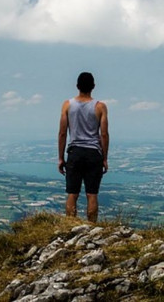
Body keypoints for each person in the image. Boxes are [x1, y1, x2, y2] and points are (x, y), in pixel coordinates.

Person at [58, 72, 109, 221]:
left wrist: (61, 158)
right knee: (92, 194)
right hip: (94, 153)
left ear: (77, 86)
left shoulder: (67, 105)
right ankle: (91, 227)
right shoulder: (100, 107)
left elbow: (62, 133)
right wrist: (104, 158)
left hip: (75, 152)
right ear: (93, 86)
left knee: (72, 193)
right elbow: (104, 134)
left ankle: (70, 225)